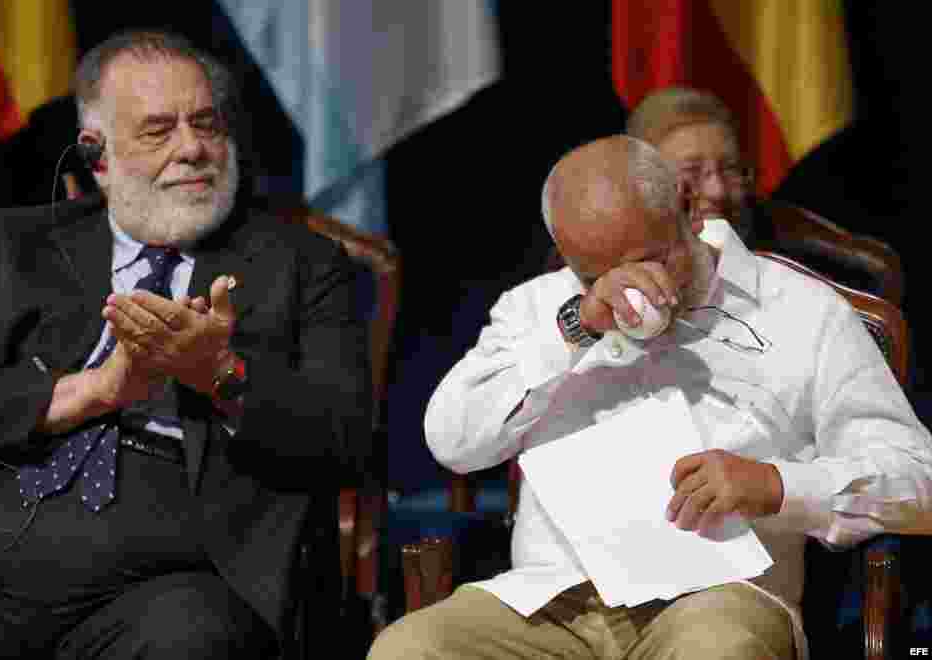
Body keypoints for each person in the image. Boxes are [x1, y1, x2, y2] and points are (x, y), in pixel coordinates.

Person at [367, 135, 932, 659]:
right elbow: (451, 441)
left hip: (716, 597)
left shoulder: (802, 312)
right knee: (408, 649)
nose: (632, 290)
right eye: (595, 274)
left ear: (688, 207)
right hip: (552, 602)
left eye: (651, 260)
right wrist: (575, 327)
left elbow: (918, 481)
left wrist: (778, 485)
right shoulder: (540, 308)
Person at [0, 30, 370, 659]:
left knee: (193, 642)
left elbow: (344, 438)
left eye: (206, 124)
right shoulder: (12, 245)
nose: (192, 149)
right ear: (97, 157)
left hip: (167, 583)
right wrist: (94, 391)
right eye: (159, 131)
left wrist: (221, 373)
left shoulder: (301, 262)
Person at [625, 85, 766, 247]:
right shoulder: (606, 267)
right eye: (692, 171)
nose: (717, 192)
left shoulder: (786, 261)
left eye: (730, 169)